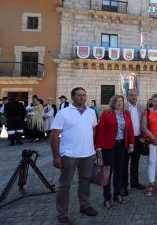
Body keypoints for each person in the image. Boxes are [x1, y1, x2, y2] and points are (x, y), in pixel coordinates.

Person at [51, 87, 98, 224]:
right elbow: (55, 135)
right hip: (69, 155)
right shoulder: (63, 113)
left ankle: (85, 206)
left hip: (88, 154)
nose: (82, 97)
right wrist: (56, 156)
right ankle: (62, 214)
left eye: (84, 95)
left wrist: (93, 147)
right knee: (65, 185)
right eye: (79, 95)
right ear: (72, 97)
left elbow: (93, 131)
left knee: (85, 182)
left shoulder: (91, 113)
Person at [96, 95, 135, 209]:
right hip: (108, 147)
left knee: (119, 171)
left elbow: (130, 129)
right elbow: (100, 131)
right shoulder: (106, 114)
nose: (119, 103)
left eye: (121, 101)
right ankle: (107, 198)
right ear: (113, 102)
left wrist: (131, 144)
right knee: (107, 173)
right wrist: (98, 148)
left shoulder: (126, 114)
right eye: (117, 101)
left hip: (122, 146)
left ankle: (117, 194)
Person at [121, 89, 146, 196]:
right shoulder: (123, 107)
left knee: (136, 162)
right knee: (124, 163)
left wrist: (143, 136)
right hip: (126, 139)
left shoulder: (141, 107)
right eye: (131, 95)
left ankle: (134, 182)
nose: (134, 97)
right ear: (127, 96)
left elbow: (145, 123)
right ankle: (123, 186)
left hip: (138, 139)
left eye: (135, 95)